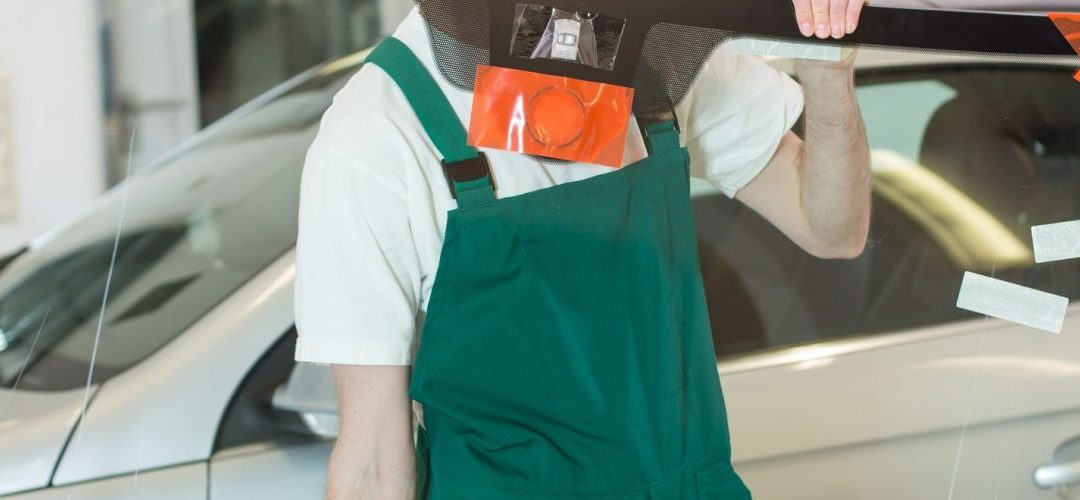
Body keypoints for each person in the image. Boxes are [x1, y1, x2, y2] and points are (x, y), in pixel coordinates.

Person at [293, 0, 870, 498]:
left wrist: (828, 72)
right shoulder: (375, 133)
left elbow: (832, 229)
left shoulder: (655, 57)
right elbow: (373, 458)